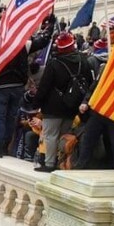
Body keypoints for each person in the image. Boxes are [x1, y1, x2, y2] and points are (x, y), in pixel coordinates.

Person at [30, 32, 93, 172]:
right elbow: (89, 82)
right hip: (72, 106)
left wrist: (36, 104)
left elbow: (44, 86)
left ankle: (50, 163)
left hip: (53, 106)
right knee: (64, 136)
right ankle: (61, 162)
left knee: (50, 135)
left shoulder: (54, 63)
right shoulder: (83, 61)